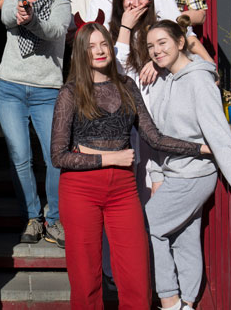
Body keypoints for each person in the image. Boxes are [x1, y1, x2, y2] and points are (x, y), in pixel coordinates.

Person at [50, 21, 210, 309]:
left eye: (104, 44)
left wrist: (199, 148)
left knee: (136, 273)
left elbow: (154, 137)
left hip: (122, 191)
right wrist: (109, 158)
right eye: (91, 47)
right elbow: (58, 156)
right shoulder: (70, 93)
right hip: (80, 190)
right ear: (81, 53)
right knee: (85, 277)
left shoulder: (127, 86)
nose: (99, 51)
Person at [145, 18, 231, 310]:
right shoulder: (163, 80)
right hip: (174, 173)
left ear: (181, 42)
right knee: (184, 237)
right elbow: (158, 137)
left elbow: (218, 132)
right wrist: (157, 174)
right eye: (151, 46)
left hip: (194, 174)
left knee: (147, 223)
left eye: (162, 43)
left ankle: (169, 299)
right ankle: (187, 302)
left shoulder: (199, 80)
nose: (156, 50)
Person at [0, 0, 71, 248]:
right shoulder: (12, 2)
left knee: (55, 157)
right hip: (10, 88)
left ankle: (54, 219)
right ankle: (32, 217)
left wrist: (33, 20)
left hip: (47, 90)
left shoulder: (61, 3)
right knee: (20, 156)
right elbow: (6, 17)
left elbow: (55, 31)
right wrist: (21, 14)